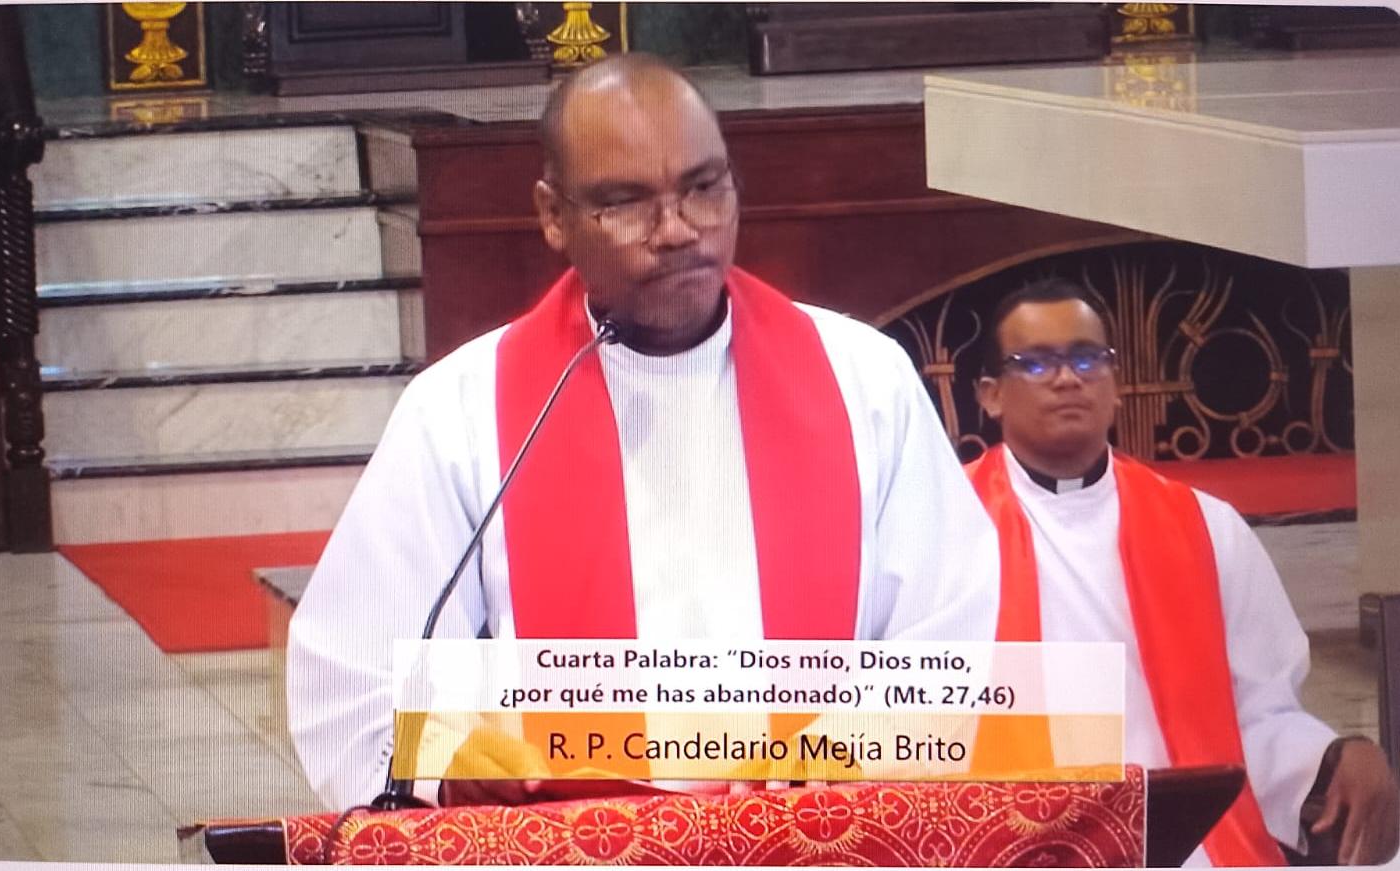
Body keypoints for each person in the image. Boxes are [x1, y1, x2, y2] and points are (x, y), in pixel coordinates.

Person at [287, 53, 1000, 811]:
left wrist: (861, 738)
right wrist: (445, 758)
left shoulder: (865, 380)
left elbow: (948, 635)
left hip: (809, 839)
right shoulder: (460, 409)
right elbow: (354, 677)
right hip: (570, 845)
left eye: (704, 188)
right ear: (553, 215)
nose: (678, 230)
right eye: (626, 203)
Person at [966, 278, 1399, 866]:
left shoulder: (1205, 527)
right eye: (1036, 363)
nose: (1068, 378)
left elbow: (1258, 713)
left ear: (1115, 385)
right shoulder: (940, 527)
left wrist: (1335, 756)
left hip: (1184, 843)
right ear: (991, 395)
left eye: (1088, 358)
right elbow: (897, 709)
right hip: (1005, 838)